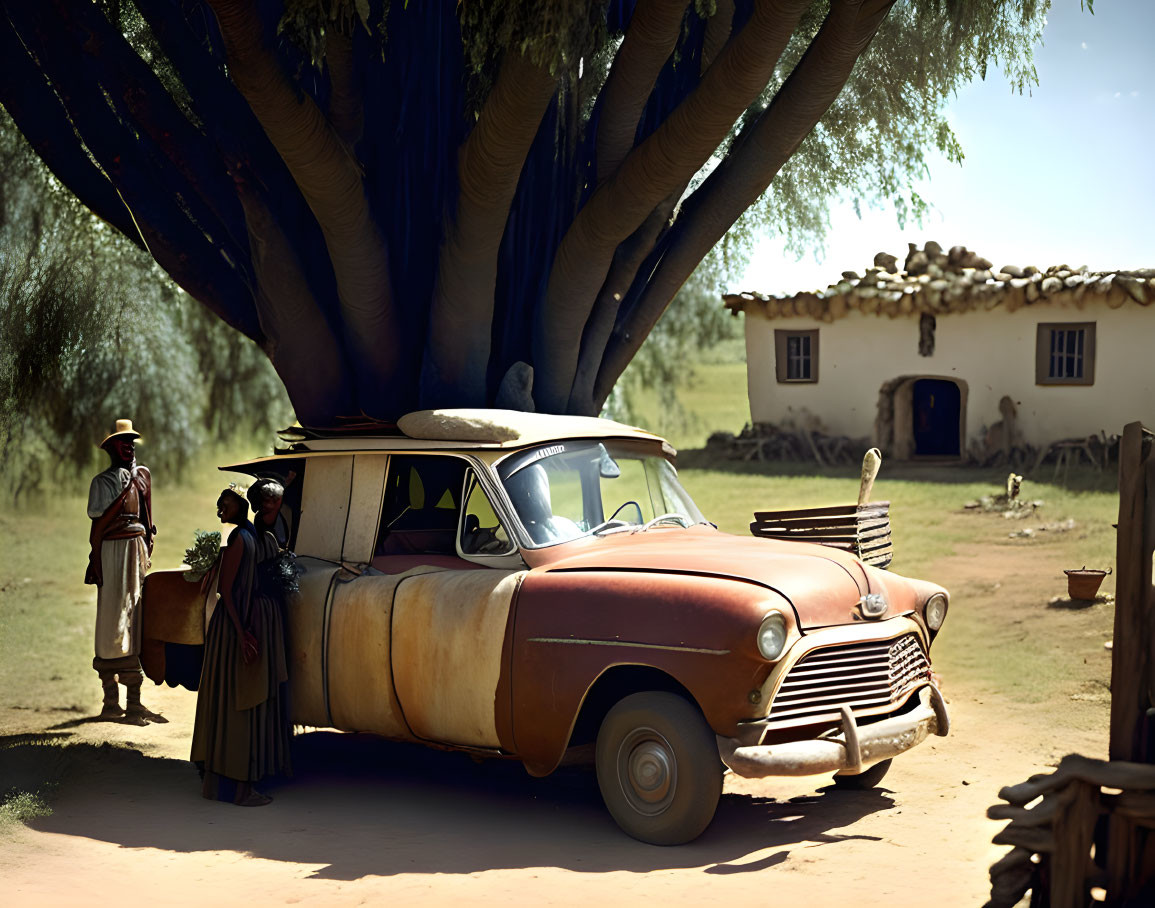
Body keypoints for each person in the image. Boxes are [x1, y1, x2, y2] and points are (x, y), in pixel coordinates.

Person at [190, 488, 291, 806]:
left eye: (226, 501)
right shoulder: (238, 537)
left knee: (240, 700)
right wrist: (242, 632)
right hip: (238, 627)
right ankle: (240, 790)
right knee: (242, 701)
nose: (220, 506)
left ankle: (224, 783)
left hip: (245, 623)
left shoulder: (249, 534)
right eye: (219, 501)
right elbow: (226, 591)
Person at [85, 418, 159, 722]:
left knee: (136, 615)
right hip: (113, 550)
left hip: (135, 548)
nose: (128, 446)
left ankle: (135, 701)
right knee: (111, 617)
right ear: (111, 448)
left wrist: (148, 540)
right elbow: (96, 519)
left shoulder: (143, 477)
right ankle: (110, 700)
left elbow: (148, 513)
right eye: (122, 442)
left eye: (131, 442)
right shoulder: (102, 483)